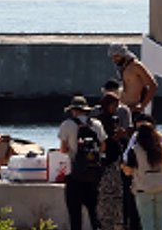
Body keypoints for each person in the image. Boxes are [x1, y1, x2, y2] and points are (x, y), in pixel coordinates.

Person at [60, 95, 108, 230]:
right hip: (93, 173)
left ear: (73, 110)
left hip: (74, 174)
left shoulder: (67, 124)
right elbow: (103, 147)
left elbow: (63, 149)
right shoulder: (96, 124)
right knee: (94, 211)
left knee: (75, 213)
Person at [122, 120, 162, 230]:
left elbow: (128, 171)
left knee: (147, 222)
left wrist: (123, 167)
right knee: (161, 221)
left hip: (143, 188)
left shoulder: (135, 150)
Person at [96, 92, 133, 230]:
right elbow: (104, 141)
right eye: (114, 105)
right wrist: (116, 137)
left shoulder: (114, 119)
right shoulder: (101, 121)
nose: (116, 108)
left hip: (117, 160)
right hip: (107, 162)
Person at [109, 45, 158, 115]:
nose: (114, 60)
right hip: (123, 108)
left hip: (134, 109)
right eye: (112, 57)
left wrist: (142, 106)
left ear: (123, 54)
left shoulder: (136, 66)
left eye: (117, 56)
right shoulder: (121, 68)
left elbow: (153, 85)